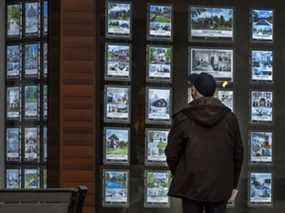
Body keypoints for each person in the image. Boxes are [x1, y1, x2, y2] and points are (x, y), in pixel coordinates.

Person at [165, 72, 244, 213]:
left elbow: (172, 152)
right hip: (220, 187)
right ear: (213, 92)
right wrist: (233, 184)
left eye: (192, 87)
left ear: (194, 91)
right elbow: (238, 154)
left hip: (191, 185)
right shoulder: (230, 118)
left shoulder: (183, 118)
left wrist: (182, 173)